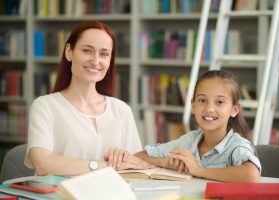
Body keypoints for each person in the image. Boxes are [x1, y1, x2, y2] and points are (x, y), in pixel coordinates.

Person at [25, 21, 152, 176]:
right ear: (69, 52)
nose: (96, 61)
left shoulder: (122, 110)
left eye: (104, 54)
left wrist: (123, 158)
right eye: (87, 50)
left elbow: (135, 166)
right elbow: (42, 164)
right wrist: (106, 165)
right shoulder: (45, 106)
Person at [135, 70, 261, 182]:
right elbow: (138, 156)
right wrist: (164, 162)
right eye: (202, 100)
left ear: (234, 109)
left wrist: (197, 170)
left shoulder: (236, 145)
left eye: (220, 102)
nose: (209, 109)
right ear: (193, 106)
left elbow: (251, 175)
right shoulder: (188, 141)